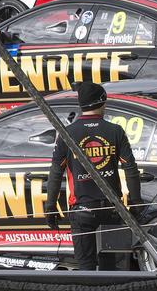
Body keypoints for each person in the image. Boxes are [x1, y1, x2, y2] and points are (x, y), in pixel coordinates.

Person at [45, 81, 142, 271]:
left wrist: (50, 206)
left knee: (86, 268)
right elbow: (130, 168)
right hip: (113, 210)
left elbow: (56, 172)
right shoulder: (115, 131)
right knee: (113, 271)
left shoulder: (67, 133)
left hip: (81, 210)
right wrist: (136, 201)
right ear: (102, 102)